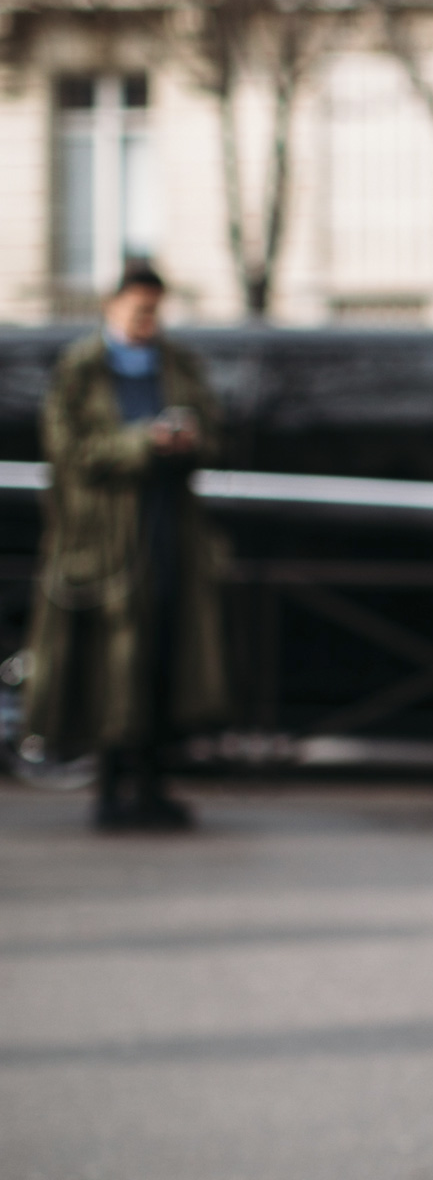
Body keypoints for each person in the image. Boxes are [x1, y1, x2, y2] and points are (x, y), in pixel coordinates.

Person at [24, 262, 228, 830]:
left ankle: (154, 786)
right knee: (112, 666)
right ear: (112, 307)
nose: (148, 321)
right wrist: (143, 442)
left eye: (155, 310)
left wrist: (187, 439)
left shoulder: (179, 364)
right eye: (139, 309)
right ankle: (111, 790)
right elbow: (71, 452)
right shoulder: (80, 370)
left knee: (166, 658)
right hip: (103, 541)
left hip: (169, 533)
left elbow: (214, 431)